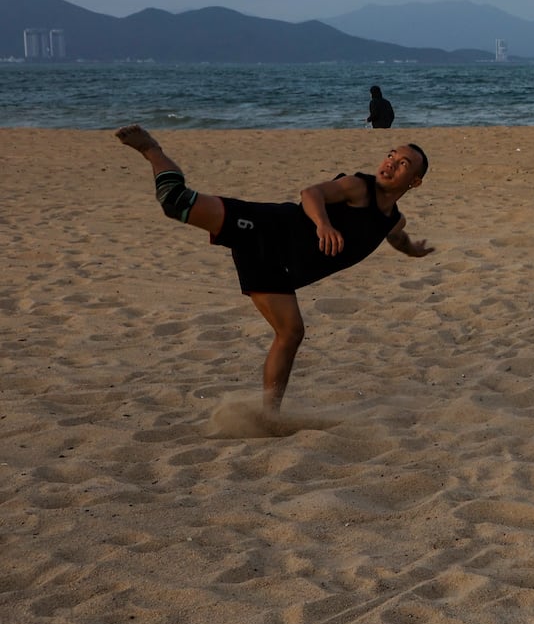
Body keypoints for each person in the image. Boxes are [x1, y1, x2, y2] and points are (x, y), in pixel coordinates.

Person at [116, 124, 434, 412]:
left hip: (277, 268)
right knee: (176, 202)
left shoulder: (393, 219)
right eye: (391, 155)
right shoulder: (358, 187)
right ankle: (151, 150)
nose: (391, 162)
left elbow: (396, 235)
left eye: (403, 162)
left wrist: (412, 250)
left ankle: (269, 414)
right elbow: (311, 193)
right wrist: (323, 224)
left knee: (291, 332)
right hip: (266, 228)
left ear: (415, 181)